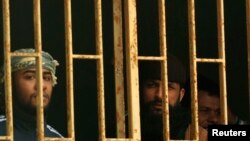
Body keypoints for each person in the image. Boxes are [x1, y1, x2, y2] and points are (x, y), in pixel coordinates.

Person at [139, 53, 207, 141]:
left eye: (169, 87)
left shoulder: (197, 136)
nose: (159, 95)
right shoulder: (121, 130)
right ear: (139, 90)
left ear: (181, 94)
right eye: (152, 85)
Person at [0, 48, 63, 140]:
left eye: (47, 78)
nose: (41, 86)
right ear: (9, 83)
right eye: (30, 77)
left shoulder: (57, 138)